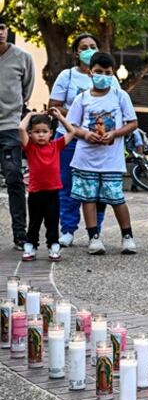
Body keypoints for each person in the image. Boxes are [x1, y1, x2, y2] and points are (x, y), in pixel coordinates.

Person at [53, 52, 140, 255]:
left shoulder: (120, 96)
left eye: (108, 73)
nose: (103, 76)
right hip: (86, 159)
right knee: (88, 198)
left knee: (116, 198)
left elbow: (133, 123)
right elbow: (71, 126)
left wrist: (115, 134)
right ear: (90, 72)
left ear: (113, 74)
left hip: (111, 160)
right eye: (99, 72)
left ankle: (127, 236)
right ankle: (94, 237)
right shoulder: (81, 98)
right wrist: (85, 134)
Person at [50, 33, 112, 245]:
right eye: (84, 47)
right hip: (69, 137)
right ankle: (67, 229)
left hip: (97, 140)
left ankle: (95, 231)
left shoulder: (108, 76)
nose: (88, 49)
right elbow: (54, 106)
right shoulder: (66, 76)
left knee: (98, 187)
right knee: (67, 184)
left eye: (92, 45)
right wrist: (78, 116)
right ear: (76, 52)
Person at [20, 110, 75, 261]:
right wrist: (30, 115)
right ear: (30, 133)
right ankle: (30, 245)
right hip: (35, 192)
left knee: (52, 221)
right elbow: (20, 128)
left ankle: (53, 245)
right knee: (34, 222)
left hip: (53, 193)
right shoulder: (30, 148)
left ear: (51, 133)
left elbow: (72, 131)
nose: (41, 135)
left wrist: (60, 117)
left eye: (44, 131)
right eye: (37, 132)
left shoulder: (56, 146)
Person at [0, 17, 34, 250]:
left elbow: (27, 90)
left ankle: (20, 235)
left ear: (7, 30)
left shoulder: (23, 57)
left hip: (10, 126)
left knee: (14, 179)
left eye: (1, 28)